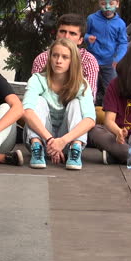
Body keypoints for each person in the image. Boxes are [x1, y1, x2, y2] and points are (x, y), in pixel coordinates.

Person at [22, 38, 96, 170]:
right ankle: (37, 149)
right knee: (38, 101)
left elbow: (90, 120)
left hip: (67, 139)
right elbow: (26, 112)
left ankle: (75, 150)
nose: (58, 61)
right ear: (49, 57)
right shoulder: (38, 79)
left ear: (72, 61)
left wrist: (62, 141)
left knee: (76, 103)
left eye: (65, 57)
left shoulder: (81, 84)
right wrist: (51, 141)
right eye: (55, 55)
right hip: (42, 138)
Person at [31, 13, 98, 98]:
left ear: (80, 40)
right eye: (62, 31)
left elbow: (88, 97)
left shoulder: (88, 61)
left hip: (76, 107)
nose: (66, 36)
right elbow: (34, 93)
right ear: (57, 35)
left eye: (72, 33)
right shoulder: (42, 59)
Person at [85, 0, 128, 105]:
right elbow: (83, 34)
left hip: (110, 62)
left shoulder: (120, 24)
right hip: (92, 60)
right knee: (90, 87)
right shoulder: (92, 19)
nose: (107, 7)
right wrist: (88, 38)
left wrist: (118, 58)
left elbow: (123, 43)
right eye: (104, 3)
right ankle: (89, 111)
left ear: (117, 4)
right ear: (99, 3)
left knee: (111, 88)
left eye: (111, 3)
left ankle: (109, 113)